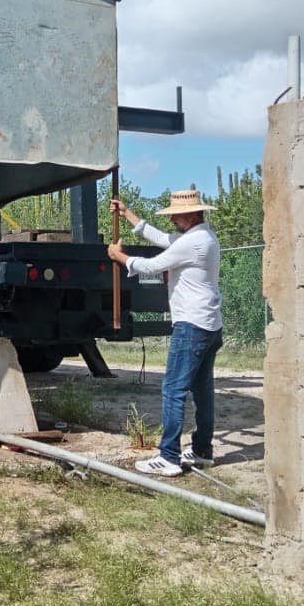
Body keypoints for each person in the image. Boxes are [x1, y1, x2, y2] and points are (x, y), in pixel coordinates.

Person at [107, 188, 222, 477]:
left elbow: (151, 265)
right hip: (208, 325)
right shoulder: (202, 238)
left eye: (177, 216)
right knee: (202, 390)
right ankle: (202, 450)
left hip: (191, 326)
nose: (173, 221)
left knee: (173, 389)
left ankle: (169, 456)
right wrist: (128, 213)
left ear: (193, 214)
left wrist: (119, 257)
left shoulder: (193, 243)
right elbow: (162, 239)